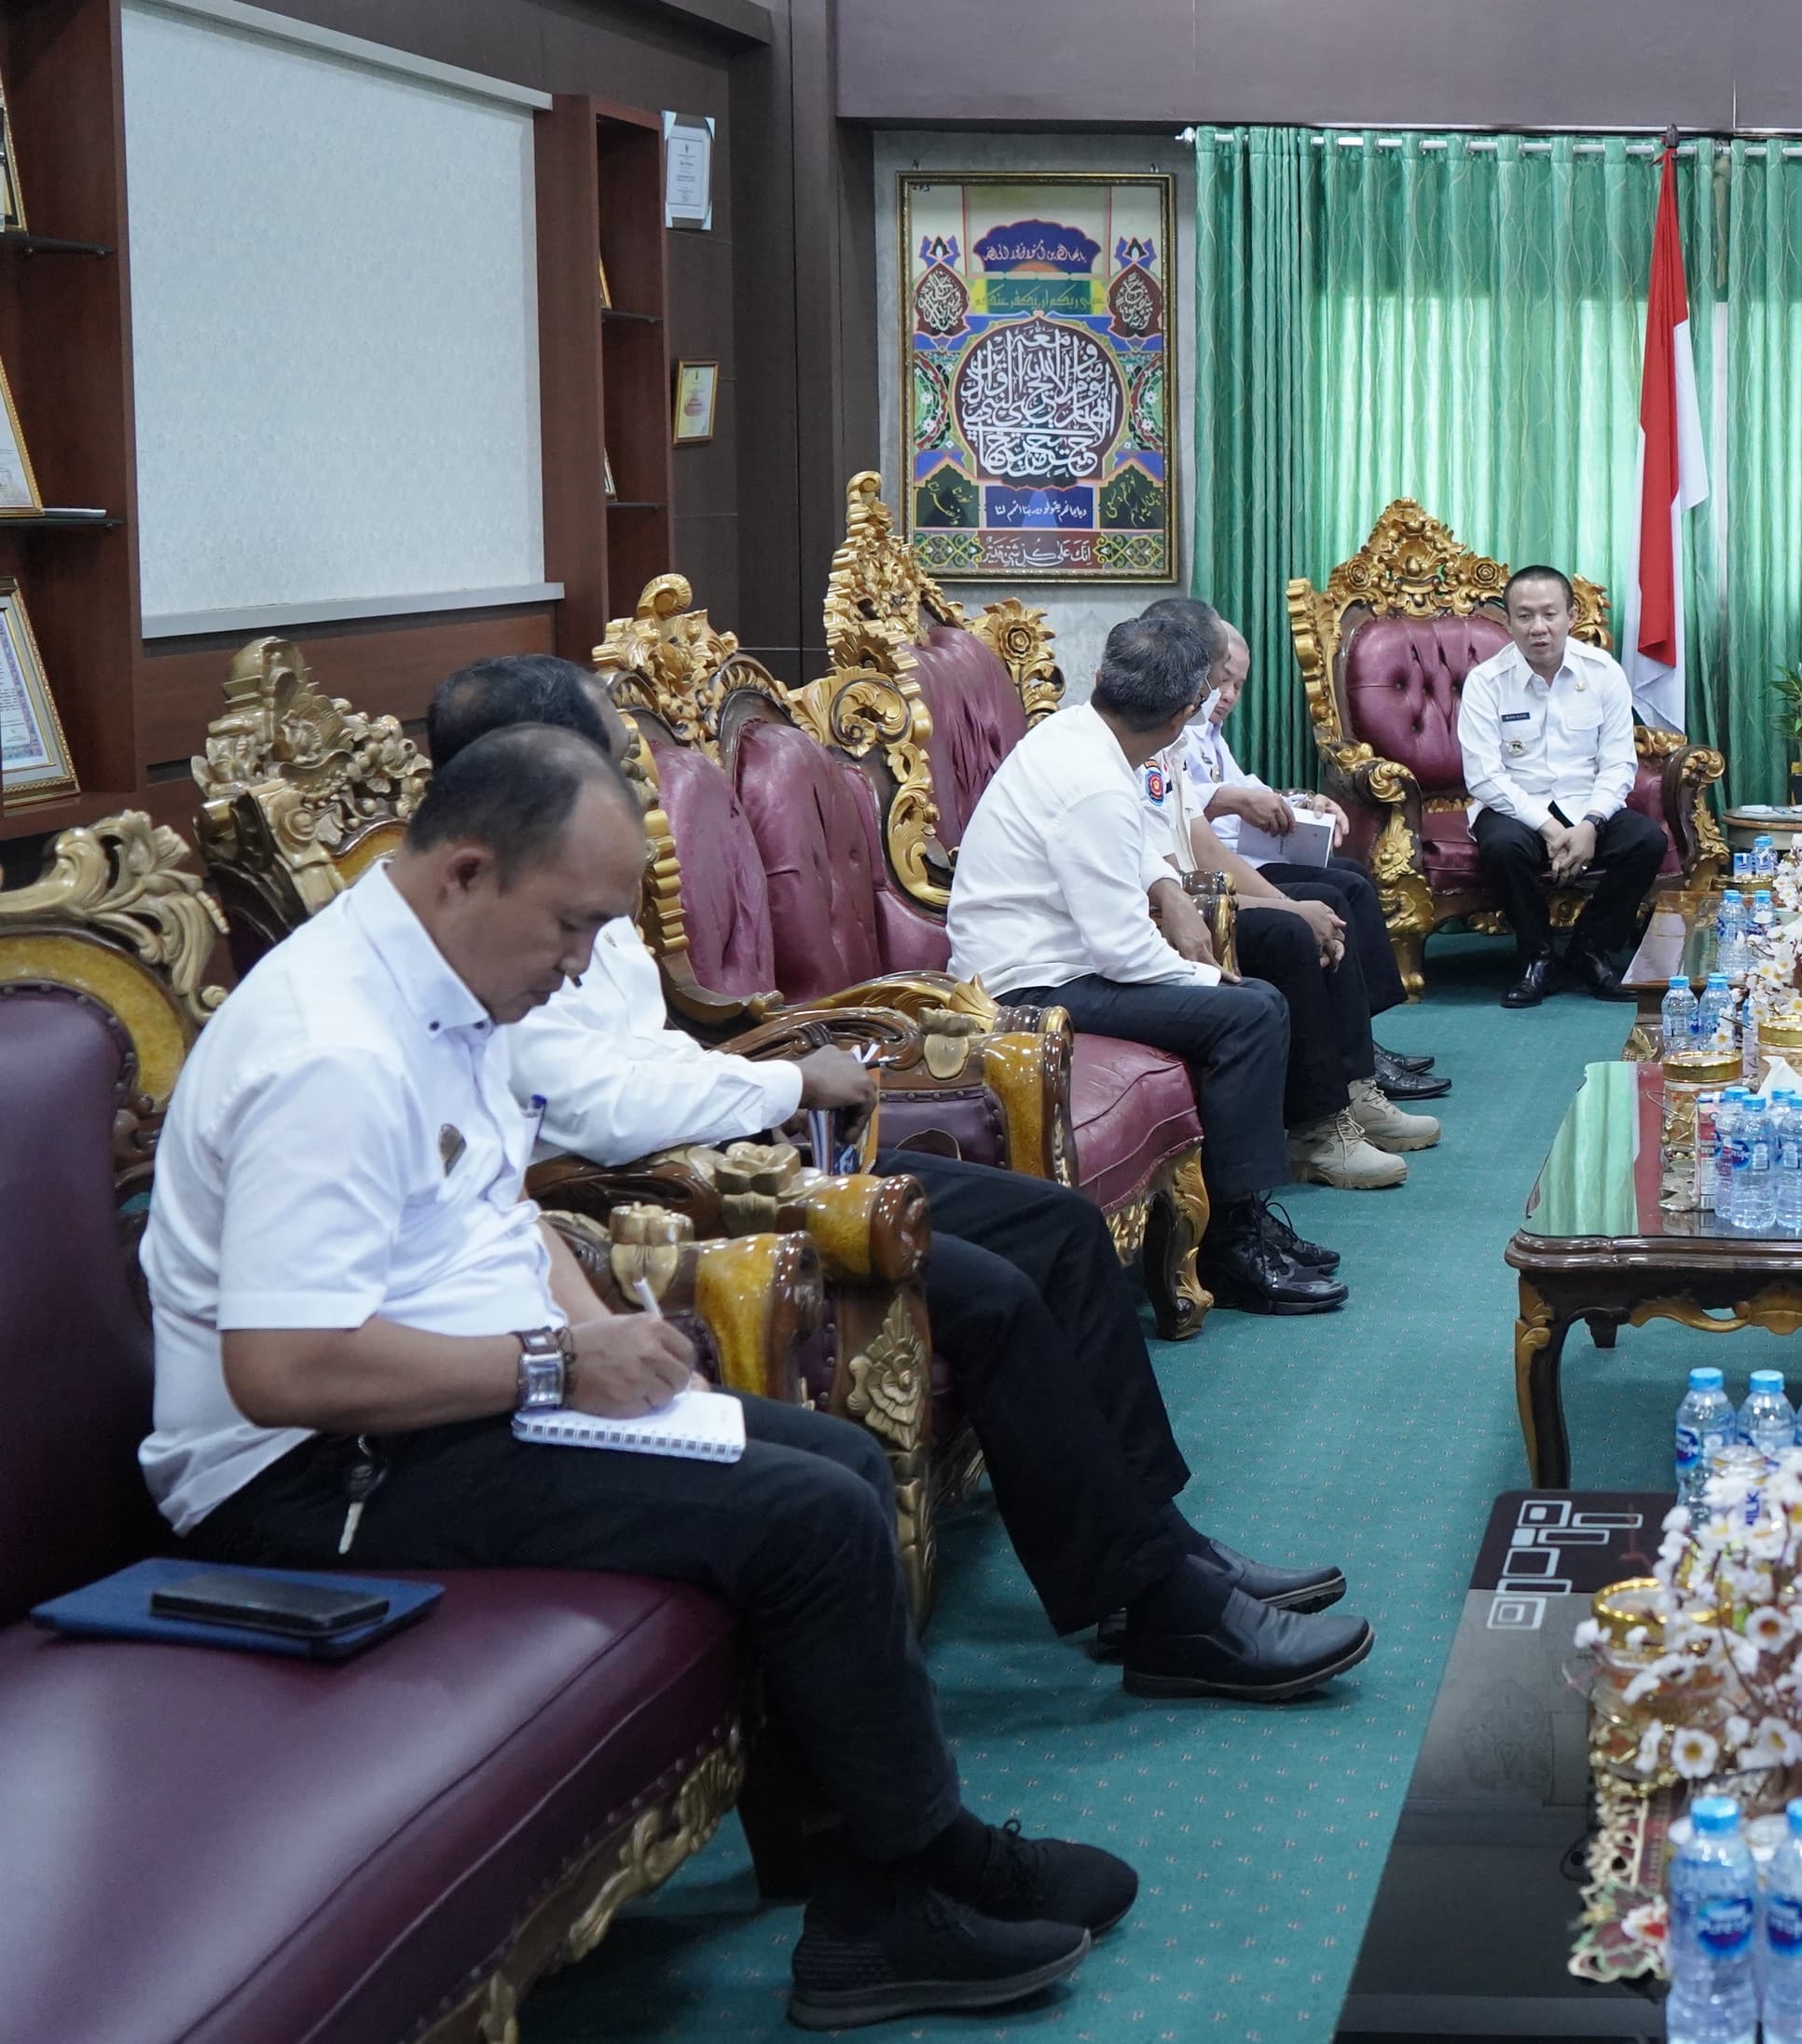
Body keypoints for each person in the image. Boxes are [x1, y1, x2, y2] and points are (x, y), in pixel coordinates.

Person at [141, 722, 1135, 2027]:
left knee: (825, 1453)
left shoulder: (444, 984)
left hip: (434, 1402)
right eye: (570, 929)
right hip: (310, 1479)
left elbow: (504, 1215)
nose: (577, 970)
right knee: (814, 1517)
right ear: (466, 873)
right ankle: (893, 1905)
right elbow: (282, 1370)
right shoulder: (329, 1046)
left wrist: (600, 1329)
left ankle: (874, 1857)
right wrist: (555, 1361)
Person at [433, 656, 1371, 1706]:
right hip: (661, 1189)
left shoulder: (568, 886)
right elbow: (592, 1108)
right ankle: (1157, 1600)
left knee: (1056, 1226)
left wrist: (767, 1080)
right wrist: (781, 1077)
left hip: (740, 1139)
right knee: (994, 1291)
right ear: (534, 777)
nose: (637, 783)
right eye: (617, 758)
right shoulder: (494, 924)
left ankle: (1163, 1546)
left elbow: (647, 1053)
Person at [944, 612, 1342, 1317]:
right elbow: (1123, 952)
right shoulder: (1094, 783)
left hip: (1054, 961)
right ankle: (1234, 1242)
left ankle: (1241, 1220)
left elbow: (1124, 851)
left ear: (1101, 679)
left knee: (1248, 1003)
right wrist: (1212, 978)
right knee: (1251, 1012)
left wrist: (1165, 886)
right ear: (1186, 715)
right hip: (1031, 986)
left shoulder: (1075, 733)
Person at [1127, 598, 1440, 1190]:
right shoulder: (1130, 747)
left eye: (1226, 683)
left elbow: (1199, 845)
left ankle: (1353, 1086)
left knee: (1322, 904)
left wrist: (1287, 899)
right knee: (1295, 929)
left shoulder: (1171, 737)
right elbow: (1169, 875)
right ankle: (1319, 1127)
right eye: (1214, 680)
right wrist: (1286, 909)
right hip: (1147, 922)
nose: (1217, 697)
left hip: (1197, 888)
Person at [1458, 563, 1668, 1008]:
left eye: (1549, 614)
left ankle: (1591, 949)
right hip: (1515, 808)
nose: (1539, 627)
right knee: (1503, 848)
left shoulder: (1603, 672)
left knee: (1647, 840)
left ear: (1571, 615)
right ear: (1508, 620)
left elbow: (1618, 764)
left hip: (1585, 804)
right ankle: (1537, 958)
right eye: (1525, 616)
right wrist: (1551, 829)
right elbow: (1484, 776)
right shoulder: (1486, 682)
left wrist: (1591, 823)